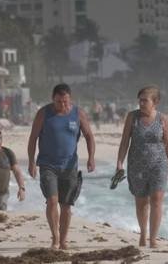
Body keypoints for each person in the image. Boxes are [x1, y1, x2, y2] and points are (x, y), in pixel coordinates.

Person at [27, 83, 96, 250]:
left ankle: (64, 239)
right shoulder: (44, 113)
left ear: (70, 99)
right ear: (53, 99)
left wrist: (91, 158)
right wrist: (31, 162)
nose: (62, 105)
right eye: (58, 102)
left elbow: (89, 136)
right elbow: (33, 138)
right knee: (52, 201)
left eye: (65, 101)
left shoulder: (78, 113)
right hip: (47, 164)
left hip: (69, 166)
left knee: (66, 205)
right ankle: (55, 237)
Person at [116, 85, 168, 248]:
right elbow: (124, 142)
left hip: (159, 164)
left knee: (156, 199)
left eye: (145, 100)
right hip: (137, 166)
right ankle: (143, 234)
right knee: (142, 202)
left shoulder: (163, 119)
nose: (141, 104)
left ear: (155, 102)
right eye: (140, 100)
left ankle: (153, 239)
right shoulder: (132, 117)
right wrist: (119, 163)